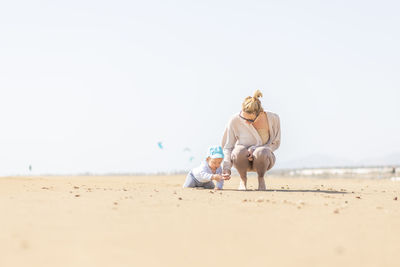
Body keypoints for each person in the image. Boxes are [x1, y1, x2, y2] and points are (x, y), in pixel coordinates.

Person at [221, 90, 281, 190]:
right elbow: (228, 147)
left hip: (264, 159)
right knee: (238, 150)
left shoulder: (273, 118)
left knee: (261, 151)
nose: (246, 122)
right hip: (241, 160)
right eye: (243, 118)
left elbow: (276, 143)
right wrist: (226, 168)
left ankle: (261, 179)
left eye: (250, 120)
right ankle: (243, 180)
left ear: (259, 113)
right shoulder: (234, 120)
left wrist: (254, 149)